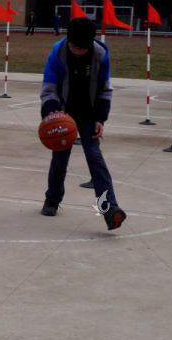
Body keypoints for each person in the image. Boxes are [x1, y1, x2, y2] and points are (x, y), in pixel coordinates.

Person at [39, 17, 127, 230]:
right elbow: (49, 88)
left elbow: (105, 89)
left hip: (88, 112)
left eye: (83, 48)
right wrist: (52, 113)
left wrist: (100, 118)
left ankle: (110, 210)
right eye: (75, 47)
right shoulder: (57, 53)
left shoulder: (100, 55)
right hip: (62, 109)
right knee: (60, 157)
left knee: (95, 156)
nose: (79, 51)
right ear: (68, 40)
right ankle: (52, 200)